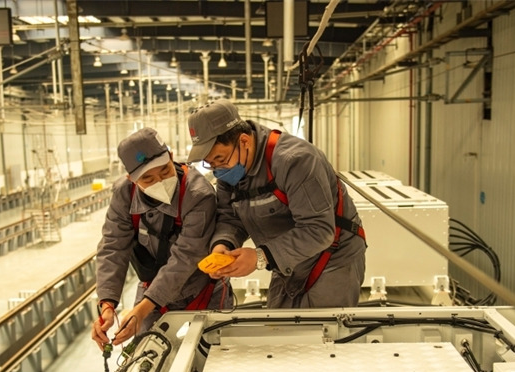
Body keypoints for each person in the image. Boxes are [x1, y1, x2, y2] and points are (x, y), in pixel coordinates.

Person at [186, 99, 366, 308]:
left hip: (333, 256)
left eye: (220, 158)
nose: (218, 169)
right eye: (211, 163)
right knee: (279, 331)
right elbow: (230, 217)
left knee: (323, 334)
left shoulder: (295, 160)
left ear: (244, 141)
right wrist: (222, 245)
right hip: (287, 260)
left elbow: (319, 230)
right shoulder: (229, 171)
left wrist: (260, 257)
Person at [92, 127, 232, 349]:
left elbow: (185, 258)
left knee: (212, 353)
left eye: (165, 171)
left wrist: (143, 308)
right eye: (148, 178)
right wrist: (107, 304)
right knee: (145, 354)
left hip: (202, 288)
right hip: (153, 288)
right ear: (132, 179)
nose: (160, 181)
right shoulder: (124, 194)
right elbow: (113, 247)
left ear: (171, 158)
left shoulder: (197, 194)